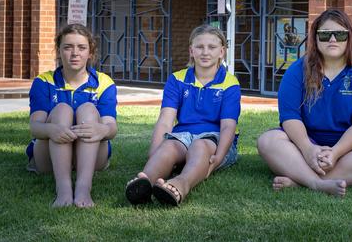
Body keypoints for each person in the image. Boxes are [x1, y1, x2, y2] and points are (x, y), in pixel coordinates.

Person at [257, 9, 352, 197]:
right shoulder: (298, 70)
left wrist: (336, 152)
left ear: (349, 37)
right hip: (307, 141)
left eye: (339, 34)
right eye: (324, 34)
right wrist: (307, 149)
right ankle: (316, 183)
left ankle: (300, 179)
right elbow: (290, 117)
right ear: (315, 38)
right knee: (268, 141)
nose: (332, 39)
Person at [125, 24, 241, 206]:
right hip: (183, 136)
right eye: (199, 47)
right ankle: (145, 181)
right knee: (168, 147)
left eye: (212, 47)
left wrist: (219, 156)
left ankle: (180, 185)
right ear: (191, 50)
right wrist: (154, 152)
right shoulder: (177, 79)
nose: (205, 52)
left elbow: (228, 126)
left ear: (222, 52)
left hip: (215, 140)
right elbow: (165, 119)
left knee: (200, 147)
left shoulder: (229, 83)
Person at [26, 24, 118, 208]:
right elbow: (34, 127)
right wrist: (51, 129)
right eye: (68, 47)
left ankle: (84, 188)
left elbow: (112, 127)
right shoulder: (44, 81)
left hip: (92, 156)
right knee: (62, 110)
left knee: (88, 109)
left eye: (81, 47)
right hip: (49, 158)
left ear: (90, 52)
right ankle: (64, 189)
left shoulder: (104, 82)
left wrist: (103, 129)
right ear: (59, 51)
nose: (75, 53)